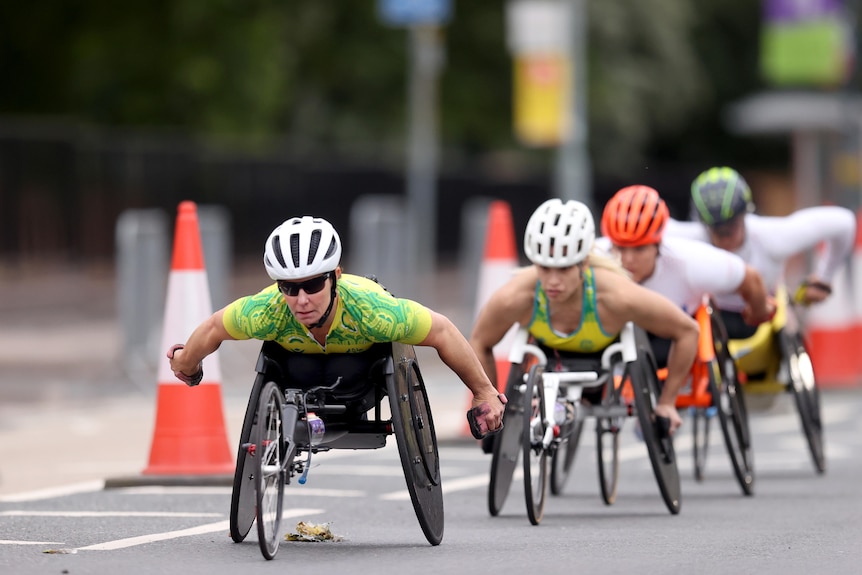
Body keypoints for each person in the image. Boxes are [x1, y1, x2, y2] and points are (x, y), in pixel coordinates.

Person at [167, 215, 506, 437]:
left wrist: (484, 390)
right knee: (282, 358)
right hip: (297, 376)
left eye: (313, 285)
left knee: (349, 360)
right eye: (288, 287)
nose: (301, 299)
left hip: (361, 380)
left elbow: (443, 331)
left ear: (335, 277)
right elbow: (214, 328)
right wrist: (187, 362)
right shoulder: (267, 309)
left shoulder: (373, 312)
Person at [469, 198, 699, 435]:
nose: (553, 281)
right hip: (549, 355)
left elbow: (687, 331)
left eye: (565, 268)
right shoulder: (514, 297)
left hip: (604, 359)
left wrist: (667, 402)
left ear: (584, 263)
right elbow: (480, 342)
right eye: (544, 268)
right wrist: (489, 400)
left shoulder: (618, 295)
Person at [665, 166, 856, 339]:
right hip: (712, 320)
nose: (725, 237)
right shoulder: (691, 239)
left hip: (769, 319)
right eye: (717, 230)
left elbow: (844, 222)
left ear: (745, 214)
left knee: (788, 331)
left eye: (732, 226)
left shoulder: (773, 237)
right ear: (703, 225)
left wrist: (824, 279)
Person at [597, 185, 775, 364]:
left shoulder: (690, 261)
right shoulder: (594, 258)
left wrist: (758, 311)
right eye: (620, 248)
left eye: (639, 249)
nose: (627, 259)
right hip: (616, 337)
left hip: (675, 340)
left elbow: (751, 278)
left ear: (658, 245)